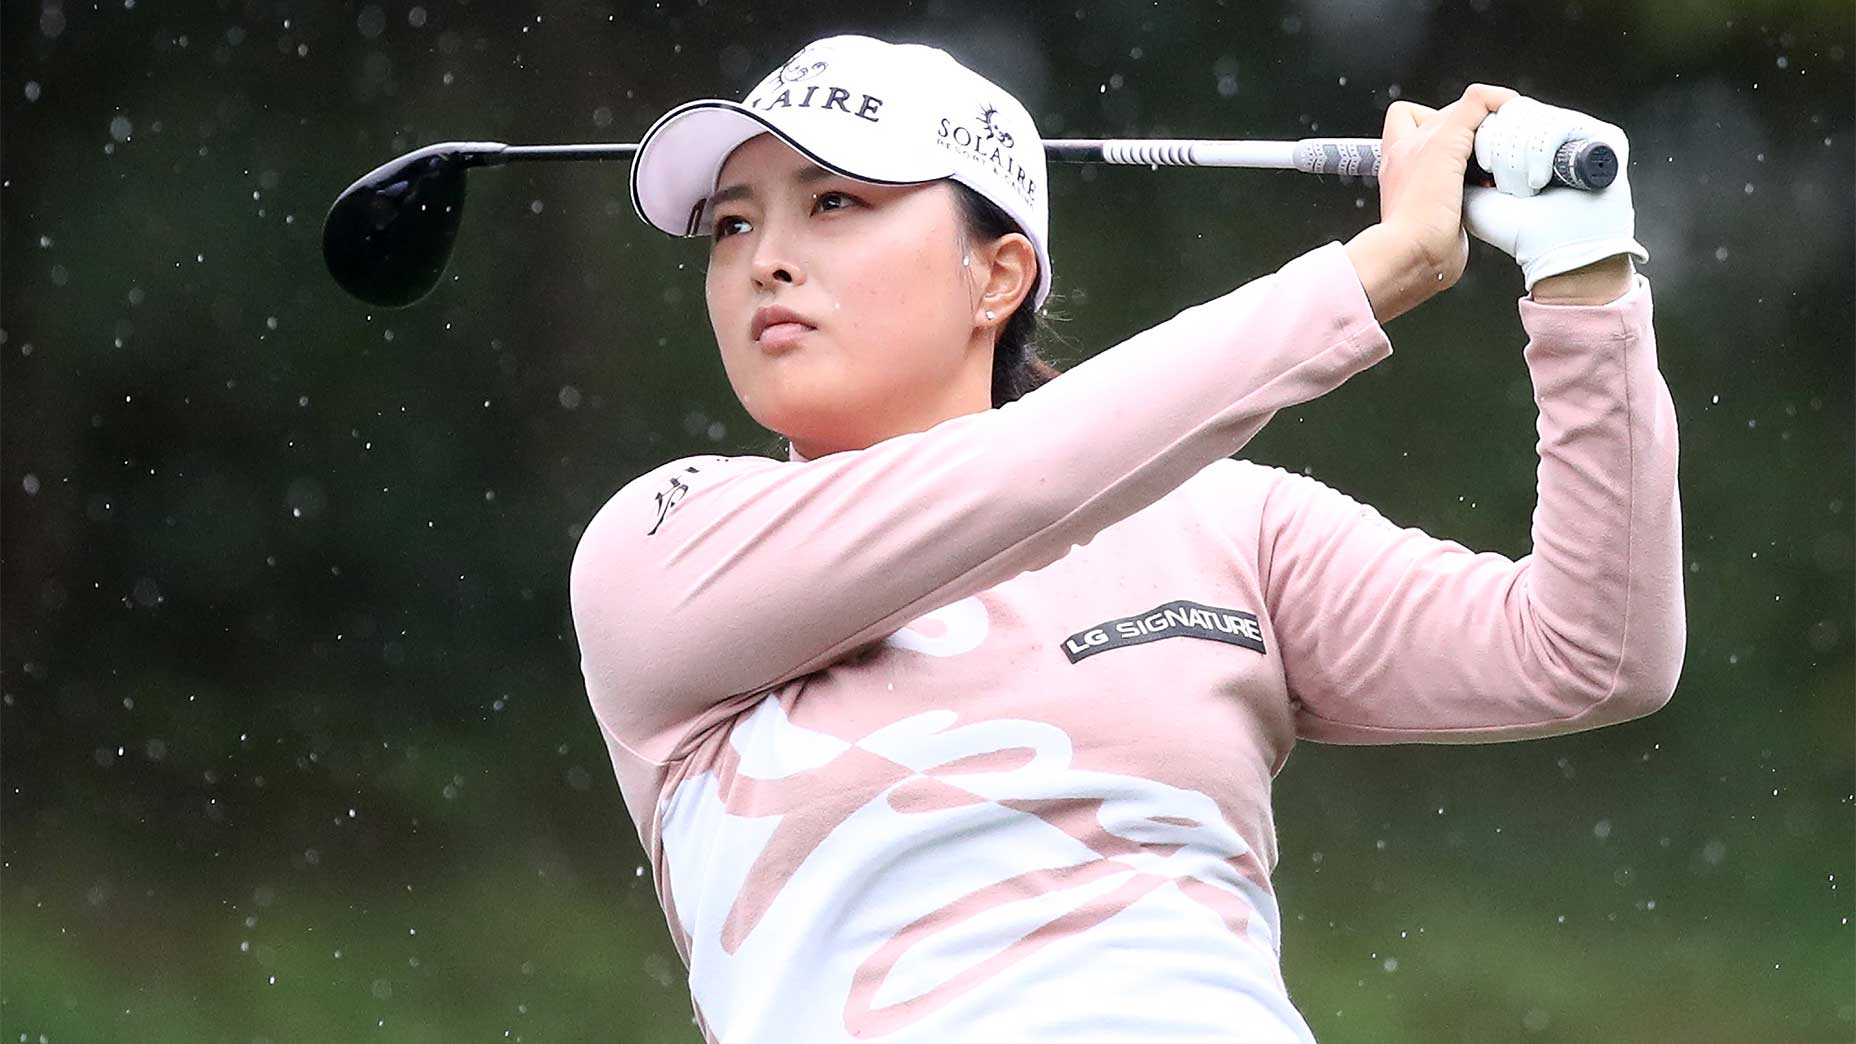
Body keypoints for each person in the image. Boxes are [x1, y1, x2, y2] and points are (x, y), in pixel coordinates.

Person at [570, 33, 1684, 1044]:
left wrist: (1581, 277)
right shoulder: (665, 543)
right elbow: (1022, 482)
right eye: (731, 222)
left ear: (994, 275)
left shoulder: (1222, 522)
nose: (763, 257)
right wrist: (1372, 271)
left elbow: (1589, 653)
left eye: (832, 204)